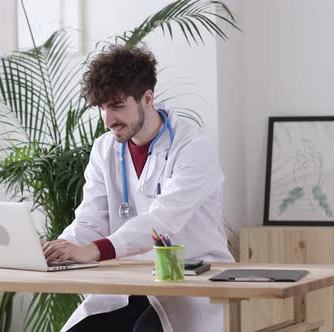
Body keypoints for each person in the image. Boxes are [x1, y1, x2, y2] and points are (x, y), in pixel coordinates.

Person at [42, 45, 233, 332]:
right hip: (129, 282)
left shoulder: (192, 148)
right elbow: (90, 220)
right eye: (102, 107)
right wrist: (61, 248)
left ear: (147, 98)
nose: (108, 120)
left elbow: (162, 223)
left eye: (117, 106)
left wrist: (96, 250)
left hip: (188, 282)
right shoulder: (104, 149)